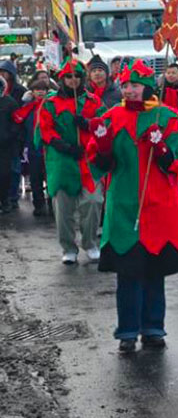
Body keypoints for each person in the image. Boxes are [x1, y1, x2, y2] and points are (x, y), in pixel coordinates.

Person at [88, 59, 178, 353]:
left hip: (158, 204)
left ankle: (153, 327)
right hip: (124, 204)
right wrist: (102, 149)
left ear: (147, 87)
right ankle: (127, 331)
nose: (128, 90)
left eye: (134, 85)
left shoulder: (167, 117)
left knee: (154, 269)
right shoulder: (112, 116)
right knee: (128, 272)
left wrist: (162, 149)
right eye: (125, 85)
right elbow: (99, 162)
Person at [36, 59, 105, 264]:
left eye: (76, 75)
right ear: (62, 79)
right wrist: (62, 146)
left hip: (87, 159)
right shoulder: (50, 103)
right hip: (62, 160)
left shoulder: (93, 101)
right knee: (63, 208)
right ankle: (68, 247)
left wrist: (88, 124)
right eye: (69, 76)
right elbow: (45, 129)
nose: (73, 80)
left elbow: (105, 125)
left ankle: (90, 242)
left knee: (92, 202)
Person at [12, 78, 51, 216]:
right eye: (37, 89)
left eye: (43, 89)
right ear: (32, 92)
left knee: (50, 177)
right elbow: (20, 125)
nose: (40, 92)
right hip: (33, 147)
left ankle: (52, 204)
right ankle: (39, 204)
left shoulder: (52, 106)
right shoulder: (27, 108)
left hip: (50, 148)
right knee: (35, 178)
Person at [0, 59, 26, 210]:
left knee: (9, 172)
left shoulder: (12, 99)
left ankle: (9, 199)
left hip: (8, 144)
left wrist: (9, 136)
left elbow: (18, 120)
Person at [0, 76, 19, 214]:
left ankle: (5, 200)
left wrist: (9, 136)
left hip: (5, 146)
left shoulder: (10, 103)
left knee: (5, 174)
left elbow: (17, 122)